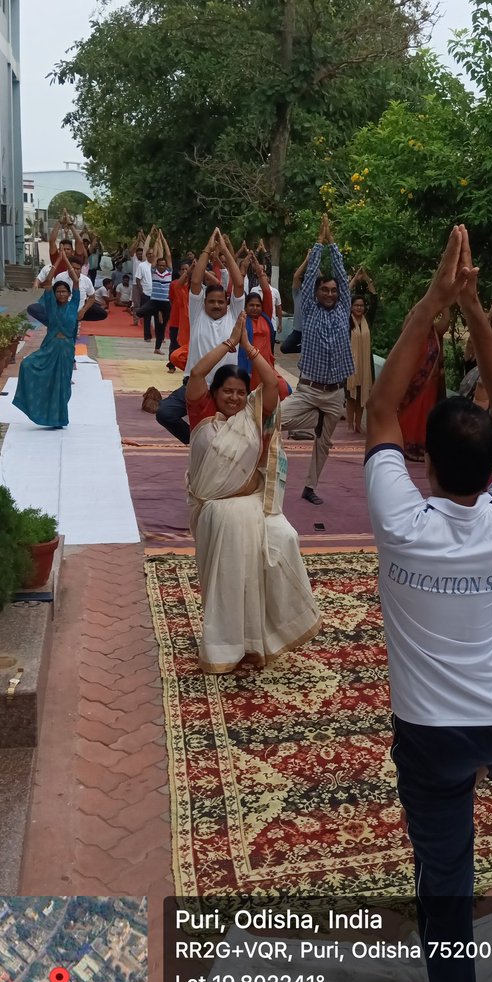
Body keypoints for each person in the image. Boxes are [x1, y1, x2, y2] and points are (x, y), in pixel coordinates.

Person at [365, 225, 492, 982]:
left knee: (444, 872)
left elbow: (378, 406)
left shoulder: (402, 521)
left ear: (429, 465)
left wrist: (433, 304)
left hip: (438, 742)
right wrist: (476, 307)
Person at [185, 311, 320, 674]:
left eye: (240, 392)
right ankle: (226, 648)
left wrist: (249, 348)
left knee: (283, 542)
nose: (233, 397)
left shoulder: (253, 417)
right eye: (226, 391)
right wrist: (229, 345)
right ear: (214, 395)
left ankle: (267, 636)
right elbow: (196, 373)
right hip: (215, 511)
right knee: (230, 581)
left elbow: (272, 385)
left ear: (247, 397)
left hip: (254, 507)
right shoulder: (203, 421)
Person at [279, 215, 355, 504]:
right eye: (325, 289)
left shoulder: (342, 308)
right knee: (273, 421)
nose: (330, 293)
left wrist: (333, 244)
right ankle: (264, 466)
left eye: (334, 290)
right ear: (317, 293)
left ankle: (310, 487)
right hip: (308, 391)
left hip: (335, 393)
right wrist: (319, 244)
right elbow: (310, 275)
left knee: (324, 443)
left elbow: (342, 275)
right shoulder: (308, 309)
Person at [156, 228, 245, 446]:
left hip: (224, 390)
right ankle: (194, 441)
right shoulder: (197, 314)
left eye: (220, 301)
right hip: (195, 387)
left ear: (227, 303)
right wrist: (207, 249)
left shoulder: (234, 315)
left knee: (226, 441)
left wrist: (224, 250)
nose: (216, 305)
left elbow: (239, 284)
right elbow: (195, 282)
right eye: (211, 301)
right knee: (165, 413)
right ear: (203, 303)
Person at [13, 262, 94, 428]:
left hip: (66, 349)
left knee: (63, 384)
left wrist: (70, 269)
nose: (61, 294)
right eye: (59, 292)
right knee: (27, 365)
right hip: (50, 347)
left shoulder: (73, 305)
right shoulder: (50, 304)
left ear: (70, 293)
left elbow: (76, 281)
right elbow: (48, 281)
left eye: (64, 291)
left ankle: (59, 419)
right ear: (55, 294)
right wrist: (59, 261)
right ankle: (38, 410)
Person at [396, 308, 449, 461]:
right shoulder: (411, 331)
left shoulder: (434, 332)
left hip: (430, 383)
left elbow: (445, 321)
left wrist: (445, 302)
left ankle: (422, 445)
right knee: (410, 412)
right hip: (412, 382)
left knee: (426, 412)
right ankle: (406, 444)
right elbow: (408, 320)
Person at [346, 268, 378, 433]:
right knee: (351, 395)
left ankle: (359, 424)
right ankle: (350, 424)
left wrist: (366, 278)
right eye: (356, 305)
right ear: (351, 307)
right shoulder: (347, 320)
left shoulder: (367, 320)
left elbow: (374, 298)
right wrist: (354, 281)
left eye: (361, 305)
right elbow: (344, 297)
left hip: (366, 363)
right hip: (350, 363)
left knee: (362, 394)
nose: (359, 308)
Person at [136, 228, 173, 353]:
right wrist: (156, 241)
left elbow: (168, 255)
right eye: (160, 265)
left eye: (164, 265)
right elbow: (156, 255)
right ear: (156, 265)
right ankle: (153, 314)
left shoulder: (169, 272)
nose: (162, 267)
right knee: (140, 312)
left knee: (161, 326)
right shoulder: (154, 271)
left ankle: (157, 348)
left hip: (165, 302)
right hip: (154, 301)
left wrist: (163, 239)